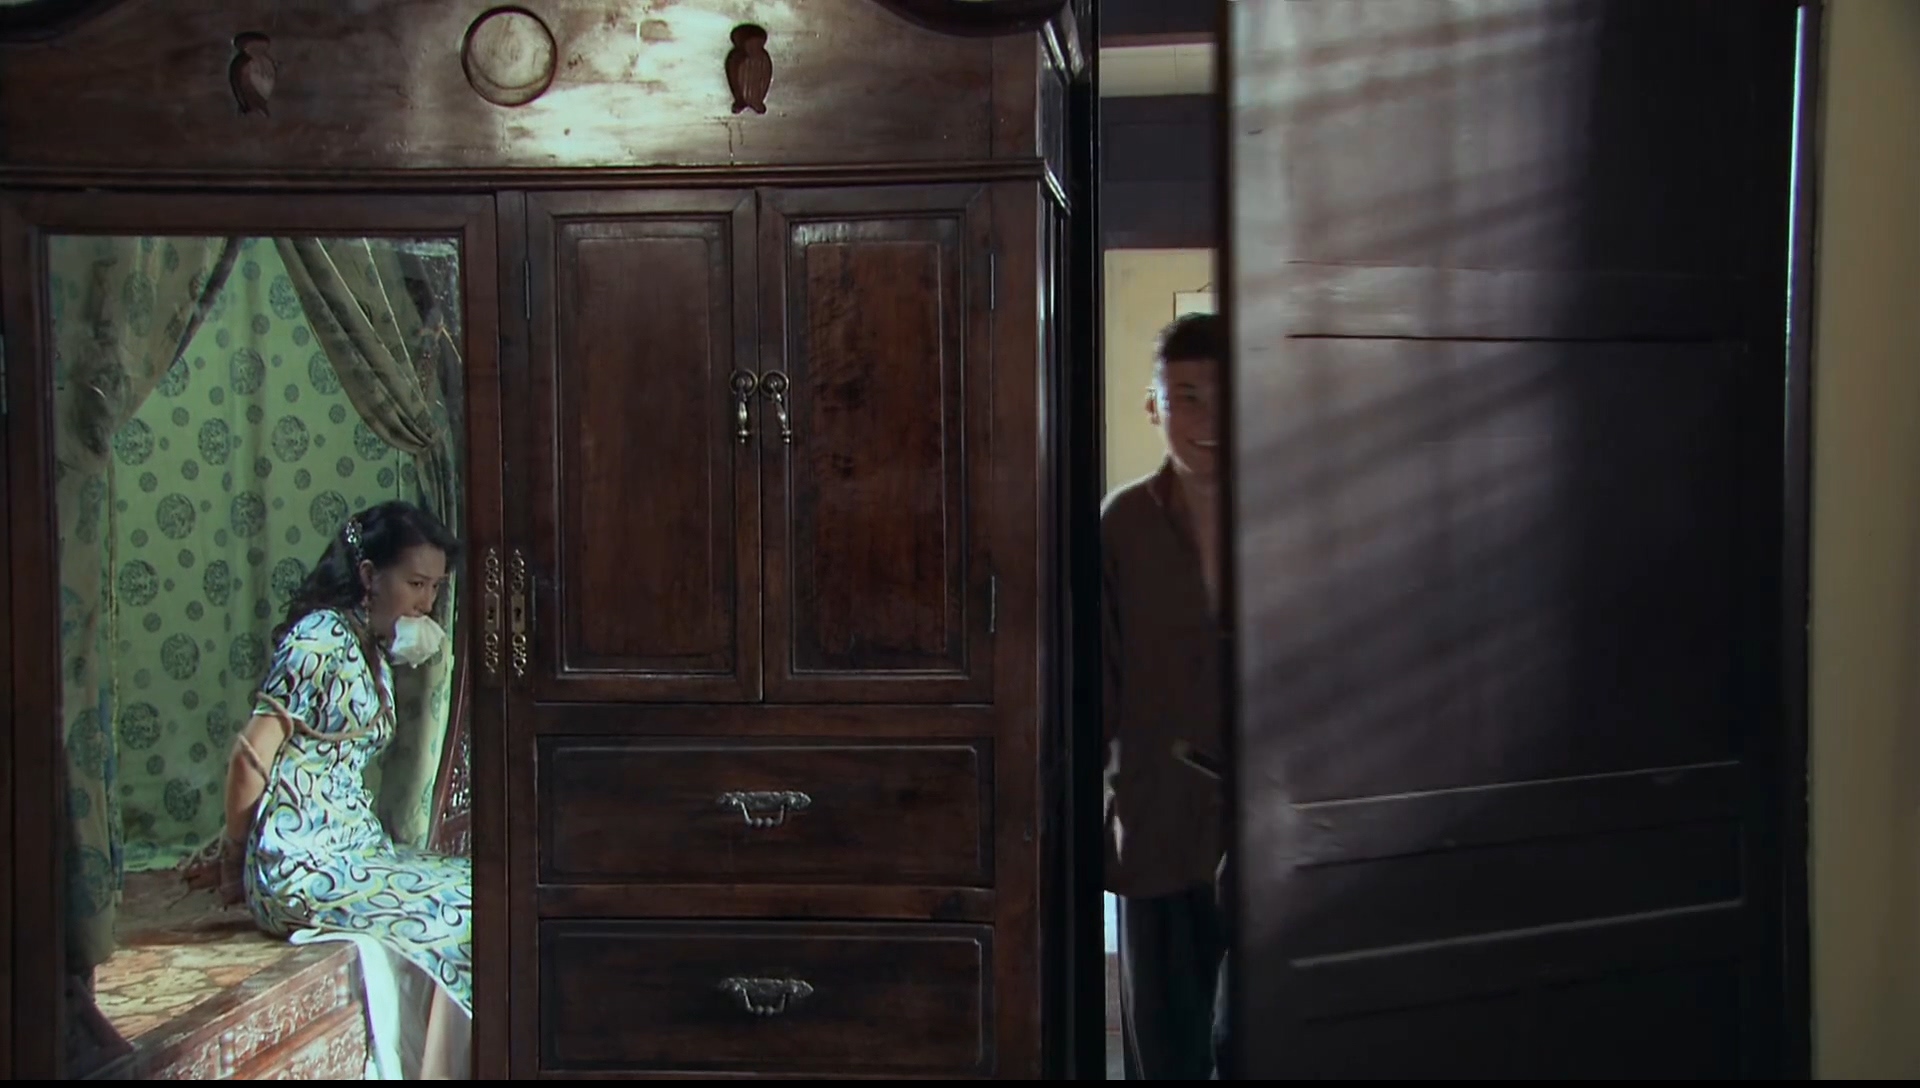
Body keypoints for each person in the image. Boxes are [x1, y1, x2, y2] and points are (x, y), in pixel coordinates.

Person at [216, 500, 470, 1078]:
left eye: (434, 588)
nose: (426, 602)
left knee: (484, 892)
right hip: (302, 861)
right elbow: (249, 757)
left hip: (353, 847)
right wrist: (234, 857)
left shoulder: (367, 645)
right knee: (461, 915)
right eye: (415, 584)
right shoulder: (320, 640)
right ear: (369, 575)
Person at [1103, 312, 1229, 1079]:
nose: (1206, 418)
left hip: (1265, 833)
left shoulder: (1290, 516)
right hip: (1155, 827)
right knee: (1165, 1047)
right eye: (1186, 396)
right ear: (1154, 405)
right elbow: (1095, 683)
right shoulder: (1122, 525)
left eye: (1222, 394)